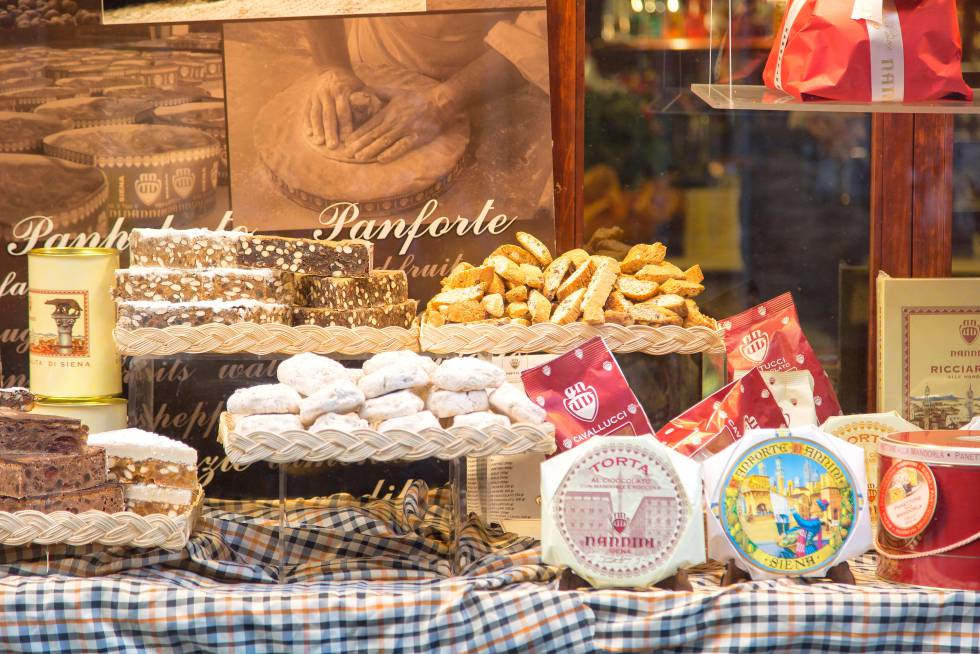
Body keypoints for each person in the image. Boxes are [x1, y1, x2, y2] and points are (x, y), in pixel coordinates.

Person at [303, 13, 549, 164]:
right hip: (377, 56)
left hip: (488, 80)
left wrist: (443, 101)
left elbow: (543, 30)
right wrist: (332, 65)